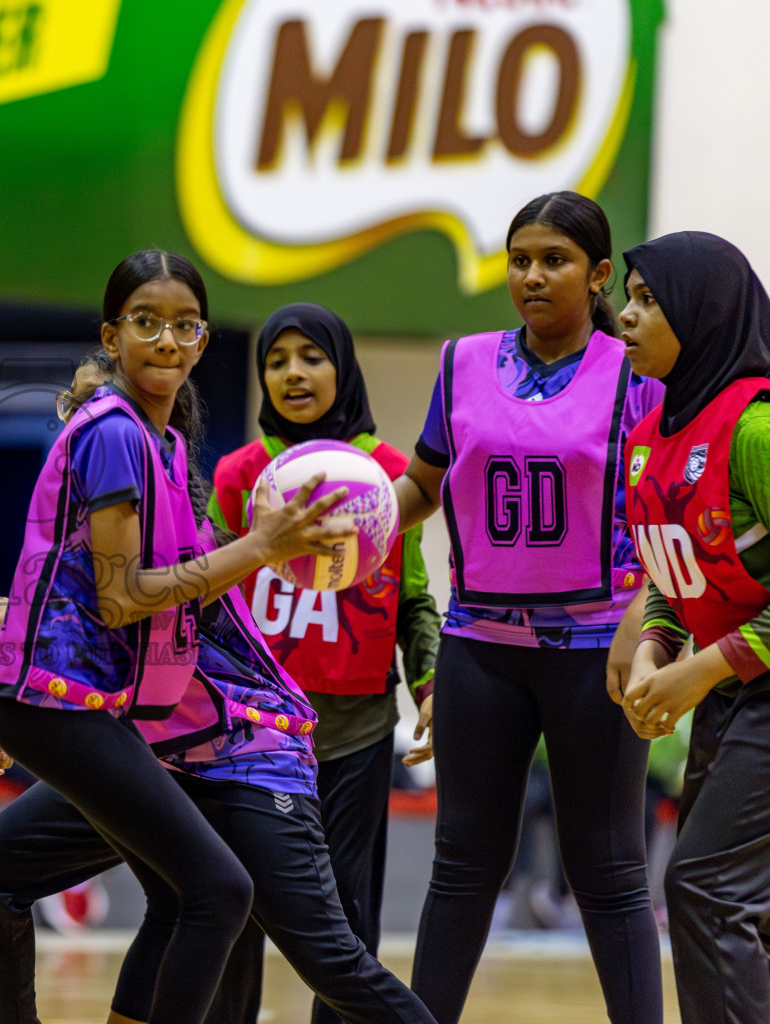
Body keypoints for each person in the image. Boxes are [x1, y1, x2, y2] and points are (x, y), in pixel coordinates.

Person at [0, 355, 439, 1024]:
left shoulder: (183, 530)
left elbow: (142, 630)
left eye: (106, 409)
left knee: (327, 957)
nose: (88, 424)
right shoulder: (86, 523)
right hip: (155, 753)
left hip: (244, 753)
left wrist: (19, 626)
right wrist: (32, 715)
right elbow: (86, 646)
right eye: (76, 408)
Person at [0, 250, 355, 1024]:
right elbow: (121, 602)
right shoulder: (116, 434)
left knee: (20, 875)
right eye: (146, 323)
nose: (166, 340)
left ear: (204, 341)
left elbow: (137, 602)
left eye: (185, 326)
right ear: (112, 335)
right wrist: (259, 548)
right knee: (217, 891)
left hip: (101, 710)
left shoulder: (167, 449)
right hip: (63, 706)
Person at [390, 191, 664, 1024]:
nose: (534, 276)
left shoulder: (638, 370)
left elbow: (665, 512)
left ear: (601, 273)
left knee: (609, 872)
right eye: (520, 260)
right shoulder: (460, 362)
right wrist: (347, 514)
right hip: (480, 647)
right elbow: (422, 488)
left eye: (556, 260)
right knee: (464, 864)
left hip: (597, 651)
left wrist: (646, 628)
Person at [208, 303, 440, 1023]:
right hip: (248, 737)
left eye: (311, 355)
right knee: (231, 907)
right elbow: (207, 601)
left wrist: (432, 688)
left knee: (344, 920)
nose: (293, 373)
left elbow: (415, 601)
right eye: (276, 361)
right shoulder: (238, 475)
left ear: (344, 365)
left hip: (355, 732)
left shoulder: (391, 473)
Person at [616, 230, 770, 1024]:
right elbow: (677, 576)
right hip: (737, 685)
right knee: (731, 907)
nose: (626, 317)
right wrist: (653, 650)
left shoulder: (763, 430)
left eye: (647, 300)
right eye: (628, 298)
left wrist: (700, 671)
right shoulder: (651, 438)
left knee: (704, 891)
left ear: (702, 315)